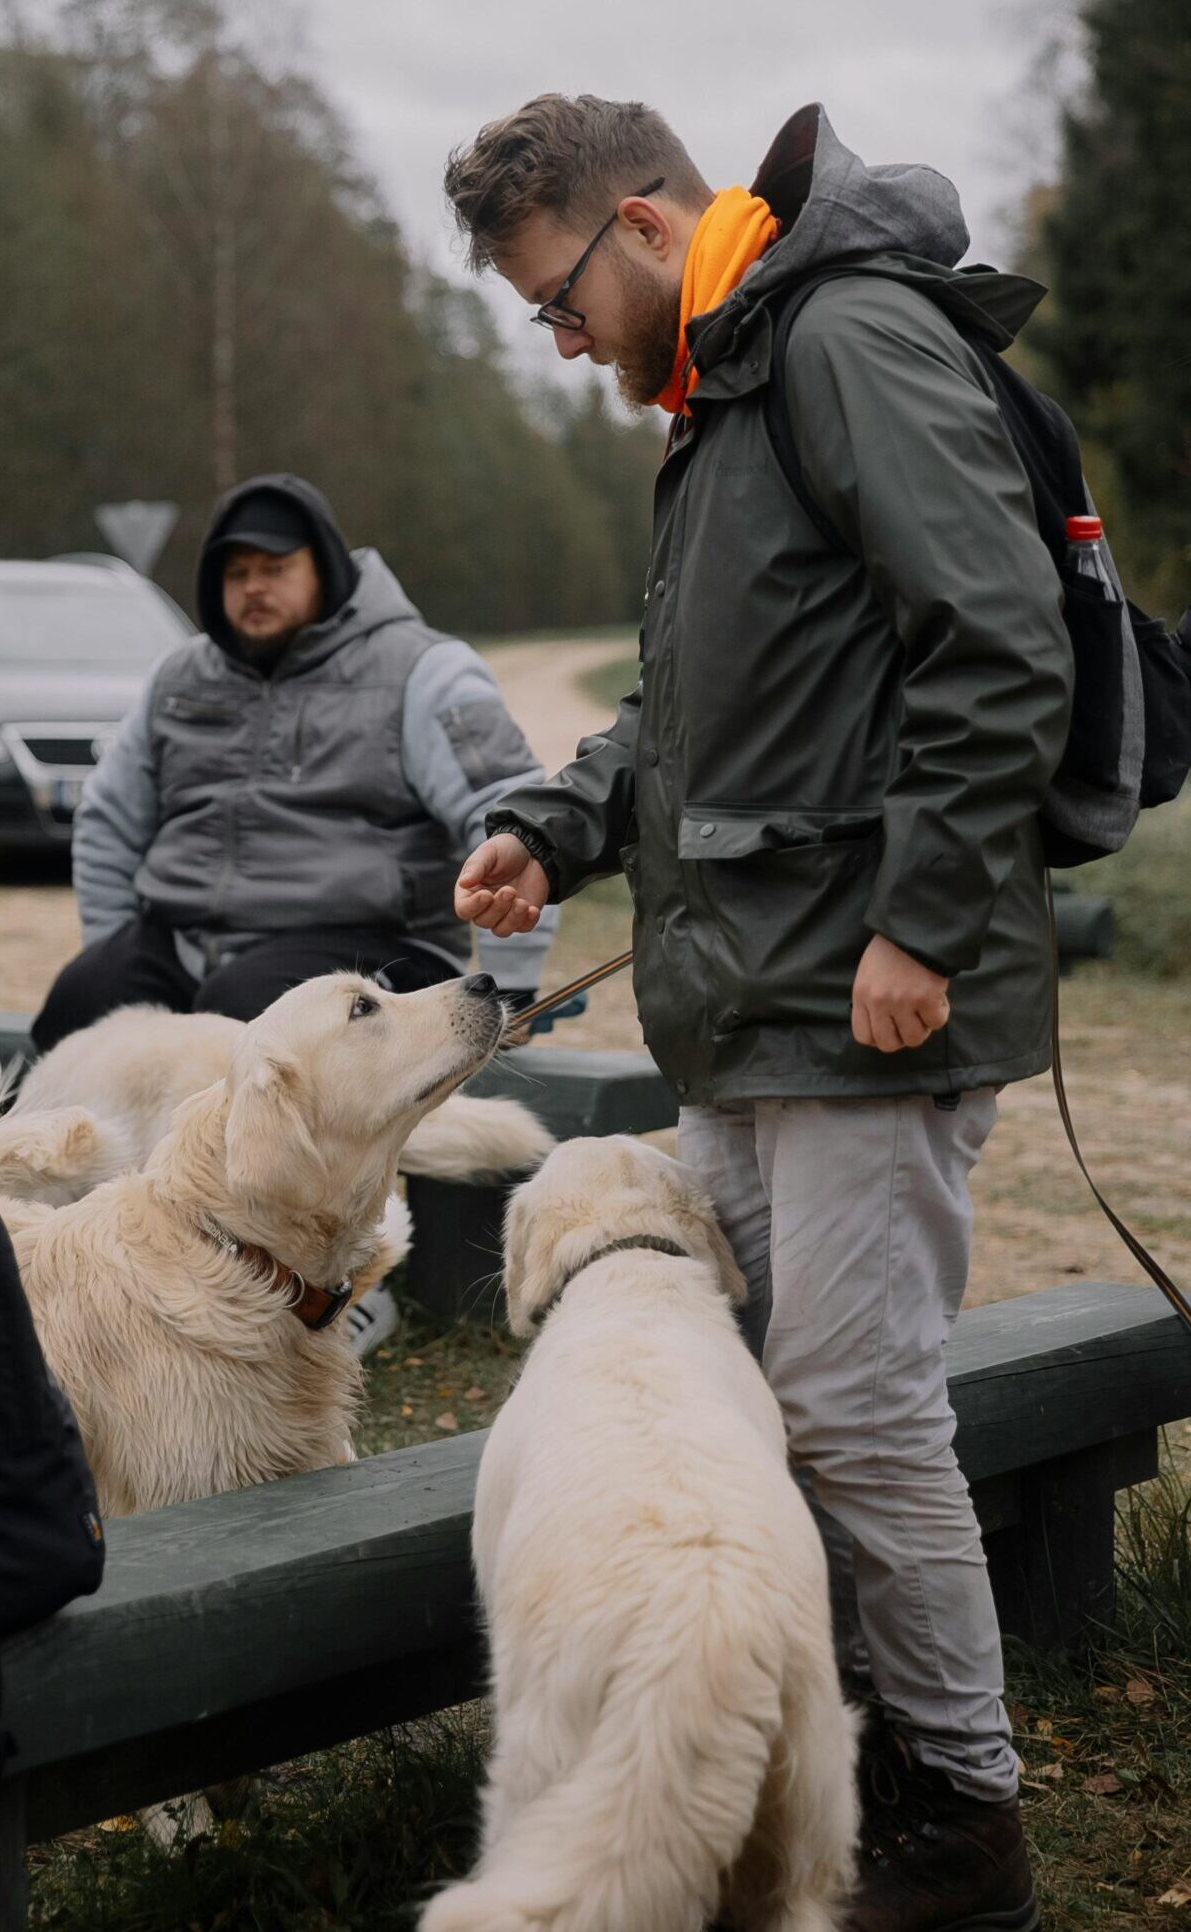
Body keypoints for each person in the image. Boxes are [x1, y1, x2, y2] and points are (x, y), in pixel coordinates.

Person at [445, 98, 1073, 1932]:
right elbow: (689, 707)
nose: (558, 341)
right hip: (756, 1000)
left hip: (867, 995)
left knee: (852, 1411)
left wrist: (926, 922)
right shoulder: (720, 393)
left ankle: (962, 1824)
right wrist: (549, 820)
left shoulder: (841, 337)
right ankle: (802, 1775)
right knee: (747, 1416)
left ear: (640, 224)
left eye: (558, 299)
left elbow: (999, 632)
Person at [34, 473, 556, 1046]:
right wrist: (111, 945)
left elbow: (515, 816)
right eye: (237, 573)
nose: (254, 587)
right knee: (84, 1008)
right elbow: (107, 819)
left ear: (325, 570)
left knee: (240, 1017)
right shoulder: (178, 679)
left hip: (373, 951)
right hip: (186, 940)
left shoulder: (421, 671)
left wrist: (514, 992)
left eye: (274, 568)